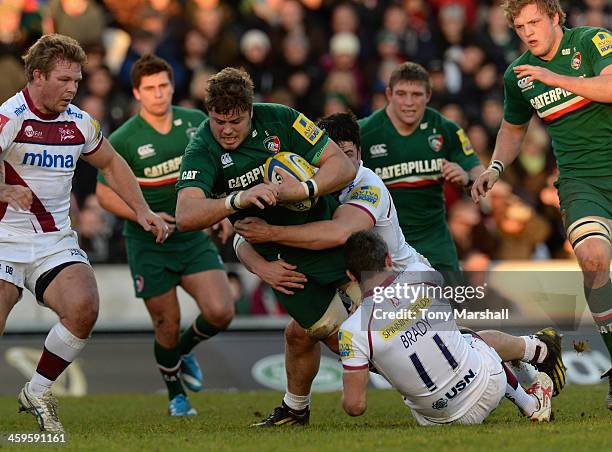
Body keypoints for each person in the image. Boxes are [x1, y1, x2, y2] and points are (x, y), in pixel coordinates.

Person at [0, 34, 167, 433]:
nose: (73, 88)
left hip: (53, 240)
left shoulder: (79, 123)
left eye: (77, 80)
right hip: (4, 238)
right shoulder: (10, 117)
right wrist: (5, 190)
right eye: (64, 80)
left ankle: (37, 391)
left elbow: (112, 164)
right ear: (37, 76)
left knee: (83, 308)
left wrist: (141, 210)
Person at [174, 67, 357, 427]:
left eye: (236, 121)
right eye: (218, 120)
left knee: (384, 318)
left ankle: (453, 365)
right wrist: (236, 199)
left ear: (251, 110)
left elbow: (341, 165)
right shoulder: (202, 146)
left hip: (326, 233)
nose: (226, 130)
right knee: (326, 334)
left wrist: (304, 188)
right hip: (284, 262)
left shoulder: (282, 118)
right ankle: (299, 411)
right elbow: (185, 214)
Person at [470, 0, 612, 408]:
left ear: (555, 18)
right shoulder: (520, 75)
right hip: (582, 182)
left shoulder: (591, 41)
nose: (529, 32)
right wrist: (495, 167)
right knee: (592, 259)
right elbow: (513, 129)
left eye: (535, 21)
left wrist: (557, 78)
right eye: (519, 26)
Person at [95, 54, 234, 417]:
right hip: (149, 244)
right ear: (137, 93)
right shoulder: (124, 138)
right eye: (150, 88)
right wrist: (145, 214)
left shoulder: (196, 124)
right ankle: (177, 395)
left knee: (221, 312)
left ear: (173, 86)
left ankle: (184, 351)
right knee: (166, 323)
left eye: (164, 86)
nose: (159, 94)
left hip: (192, 237)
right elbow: (105, 194)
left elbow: (220, 168)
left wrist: (219, 206)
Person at [339, 231, 557, 425]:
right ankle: (531, 405)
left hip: (440, 419)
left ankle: (537, 356)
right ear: (388, 259)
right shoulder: (419, 272)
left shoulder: (351, 330)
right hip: (489, 387)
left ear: (350, 275)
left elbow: (355, 406)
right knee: (468, 337)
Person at [234, 111, 430, 273]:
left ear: (360, 153)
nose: (342, 164)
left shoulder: (369, 185)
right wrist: (262, 268)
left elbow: (340, 233)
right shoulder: (309, 180)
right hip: (359, 285)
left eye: (348, 154)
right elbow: (243, 235)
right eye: (336, 156)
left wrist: (270, 233)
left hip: (405, 279)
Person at [360, 62, 486, 272]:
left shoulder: (445, 129)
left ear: (428, 95)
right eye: (402, 93)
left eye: (416, 94)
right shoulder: (364, 132)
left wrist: (466, 177)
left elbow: (478, 173)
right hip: (384, 245)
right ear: (389, 94)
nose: (409, 102)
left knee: (450, 302)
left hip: (435, 242)